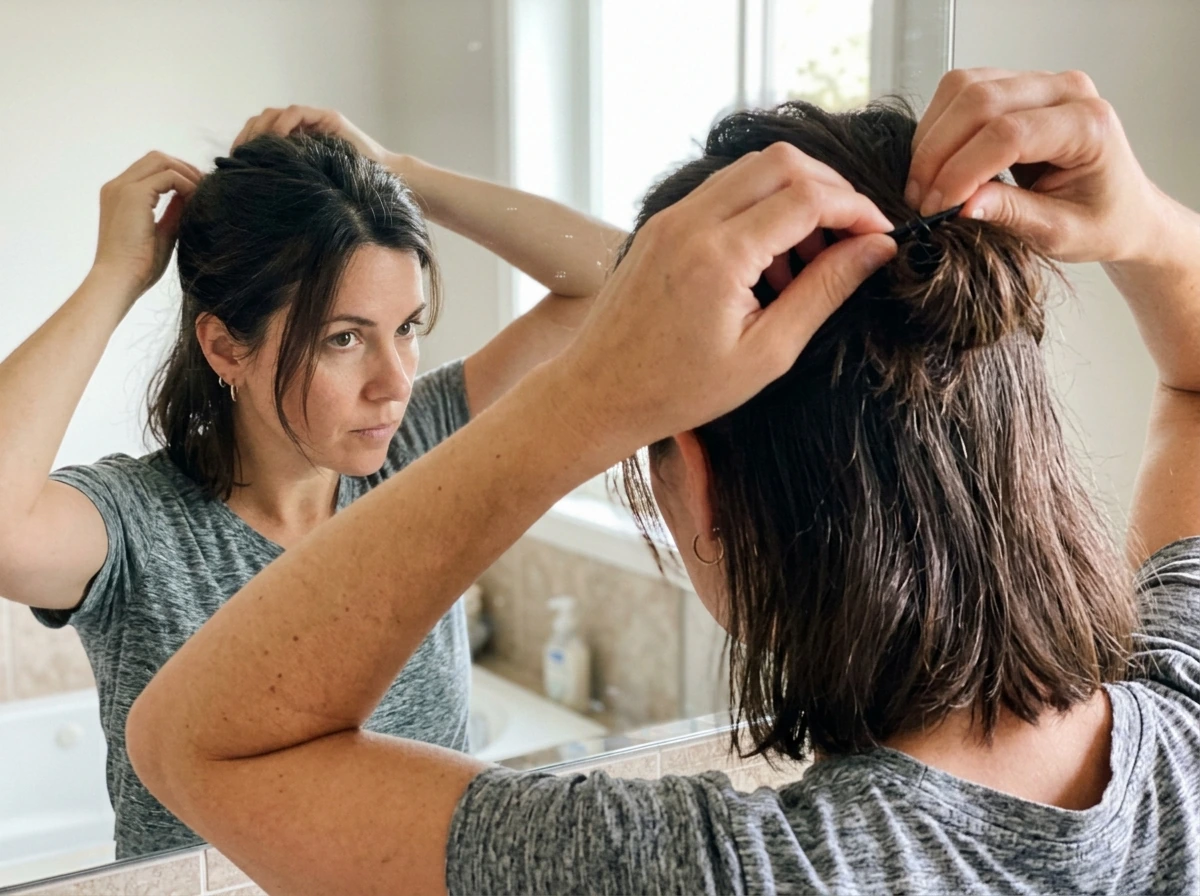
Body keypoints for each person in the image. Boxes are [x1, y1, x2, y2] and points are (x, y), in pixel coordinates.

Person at [126, 69, 1200, 894]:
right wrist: (1153, 230)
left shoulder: (721, 872)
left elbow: (199, 743)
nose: (391, 375)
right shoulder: (1183, 720)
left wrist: (591, 397)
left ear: (701, 477)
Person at [0, 107, 625, 858]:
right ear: (226, 348)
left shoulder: (422, 452)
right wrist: (114, 277)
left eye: (406, 328)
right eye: (344, 338)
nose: (394, 383)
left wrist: (404, 174)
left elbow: (620, 284)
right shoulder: (137, 527)